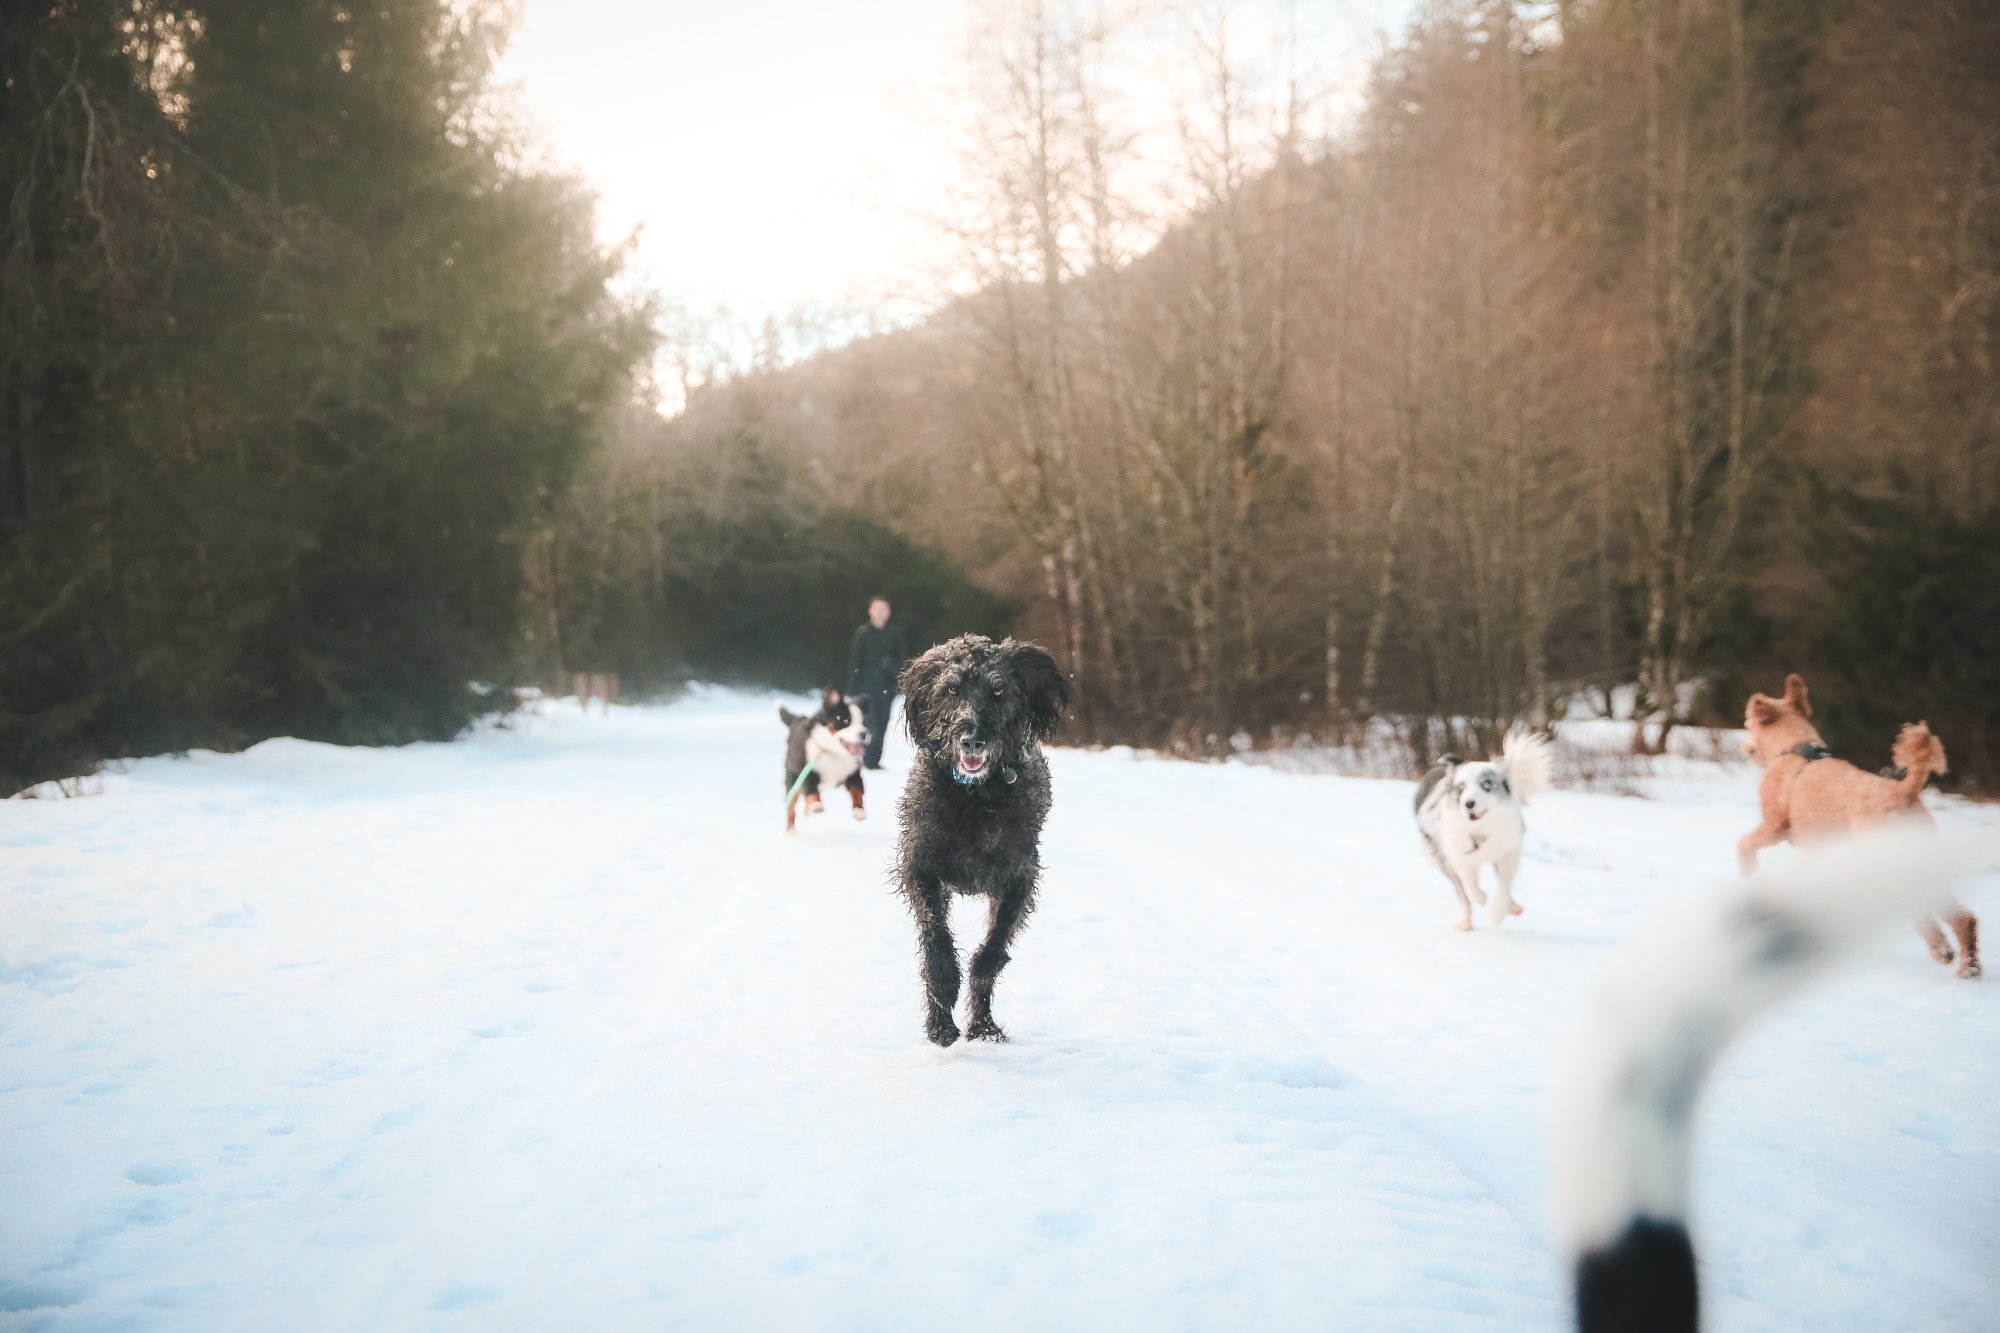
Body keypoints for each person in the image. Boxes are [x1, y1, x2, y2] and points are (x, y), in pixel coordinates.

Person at [846, 596, 907, 770]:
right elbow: (854, 663)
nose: (880, 613)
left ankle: (874, 761)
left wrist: (892, 667)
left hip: (887, 687)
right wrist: (852, 689)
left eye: (884, 609)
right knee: (869, 723)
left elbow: (903, 663)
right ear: (870, 611)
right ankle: (863, 758)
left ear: (889, 612)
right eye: (877, 609)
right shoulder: (863, 633)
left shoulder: (895, 634)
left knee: (882, 722)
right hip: (865, 687)